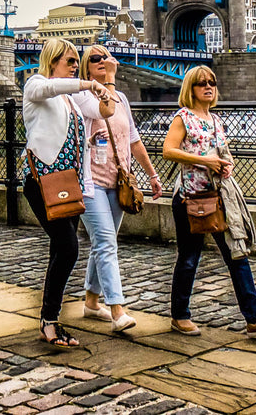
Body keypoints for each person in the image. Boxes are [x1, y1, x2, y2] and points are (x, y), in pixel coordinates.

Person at [161, 65, 256, 337]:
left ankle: (254, 319)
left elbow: (223, 154)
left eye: (212, 82)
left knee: (237, 255)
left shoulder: (216, 120)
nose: (208, 86)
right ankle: (180, 316)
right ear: (190, 89)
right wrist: (206, 161)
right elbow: (169, 151)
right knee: (189, 259)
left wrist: (227, 165)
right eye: (201, 83)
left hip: (220, 197)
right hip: (191, 199)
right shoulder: (183, 117)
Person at [21, 38, 113, 349]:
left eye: (76, 61)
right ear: (51, 61)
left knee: (60, 251)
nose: (75, 65)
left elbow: (98, 117)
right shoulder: (36, 84)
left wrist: (103, 85)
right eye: (69, 60)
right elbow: (46, 89)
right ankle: (49, 320)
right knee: (69, 247)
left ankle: (50, 321)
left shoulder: (70, 101)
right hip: (42, 181)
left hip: (68, 184)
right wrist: (85, 83)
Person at [78, 45, 163, 332]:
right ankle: (118, 310)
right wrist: (110, 80)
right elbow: (103, 106)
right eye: (95, 59)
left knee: (104, 242)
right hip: (91, 183)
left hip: (119, 182)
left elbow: (134, 141)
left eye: (105, 57)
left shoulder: (122, 99)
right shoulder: (82, 96)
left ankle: (91, 302)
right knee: (106, 243)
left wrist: (152, 174)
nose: (102, 62)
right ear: (85, 67)